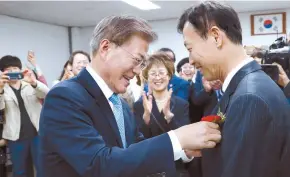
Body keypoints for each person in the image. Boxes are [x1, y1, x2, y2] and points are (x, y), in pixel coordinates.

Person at [39, 15, 221, 177]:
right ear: (105, 48)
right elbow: (98, 164)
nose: (137, 71)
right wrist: (176, 138)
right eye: (136, 60)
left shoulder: (120, 106)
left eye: (141, 64)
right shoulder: (65, 98)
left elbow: (135, 152)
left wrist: (183, 150)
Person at [178, 1, 290, 177]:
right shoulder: (246, 86)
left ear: (216, 36)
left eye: (190, 49)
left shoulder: (249, 98)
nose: (190, 60)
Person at [134, 53, 192, 177]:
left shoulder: (182, 104)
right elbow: (137, 142)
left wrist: (170, 118)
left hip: (175, 168)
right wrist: (146, 118)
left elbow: (186, 139)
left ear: (169, 75)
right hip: (149, 168)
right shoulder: (139, 105)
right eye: (153, 74)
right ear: (147, 77)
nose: (158, 77)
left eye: (161, 73)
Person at [0, 55, 49, 177]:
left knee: (42, 167)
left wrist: (33, 82)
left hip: (37, 133)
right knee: (19, 171)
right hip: (15, 137)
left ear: (20, 69)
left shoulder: (29, 83)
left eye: (15, 68)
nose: (12, 72)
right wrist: (0, 89)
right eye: (8, 69)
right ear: (2, 72)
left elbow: (46, 94)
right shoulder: (2, 88)